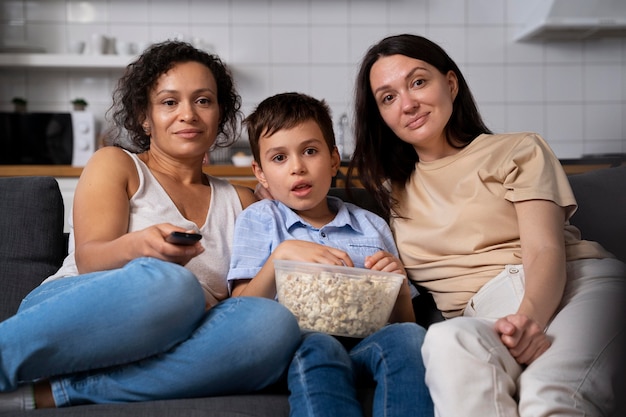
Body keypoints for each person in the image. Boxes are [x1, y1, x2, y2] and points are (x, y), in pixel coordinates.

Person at [0, 40, 300, 411]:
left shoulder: (243, 202)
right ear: (145, 117)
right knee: (174, 286)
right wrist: (140, 247)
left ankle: (54, 394)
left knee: (274, 325)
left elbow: (245, 299)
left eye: (203, 100)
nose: (188, 114)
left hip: (176, 337)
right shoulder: (118, 165)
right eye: (169, 102)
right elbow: (90, 259)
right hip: (74, 312)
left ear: (220, 115)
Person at [348, 33, 626, 417]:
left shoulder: (517, 149)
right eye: (388, 97)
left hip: (574, 289)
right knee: (446, 339)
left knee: (549, 394)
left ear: (450, 83)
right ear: (380, 115)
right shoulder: (389, 194)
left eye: (418, 81)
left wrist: (531, 316)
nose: (408, 103)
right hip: (481, 317)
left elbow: (545, 248)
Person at [227, 92, 433, 417]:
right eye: (279, 158)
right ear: (260, 172)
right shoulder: (260, 219)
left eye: (310, 151)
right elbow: (242, 310)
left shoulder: (372, 225)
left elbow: (403, 322)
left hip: (368, 344)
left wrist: (397, 282)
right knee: (319, 345)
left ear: (334, 159)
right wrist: (280, 257)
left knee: (409, 337)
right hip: (299, 345)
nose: (298, 167)